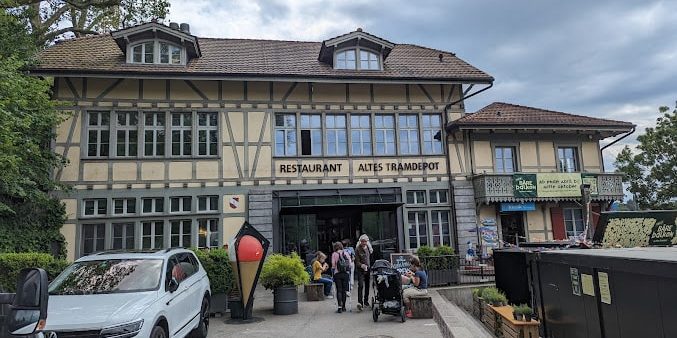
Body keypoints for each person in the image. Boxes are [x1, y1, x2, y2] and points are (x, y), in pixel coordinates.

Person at [331, 241, 351, 313]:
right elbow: (349, 263)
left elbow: (333, 265)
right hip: (345, 273)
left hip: (337, 274)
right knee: (344, 290)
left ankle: (339, 307)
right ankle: (344, 307)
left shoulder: (334, 254)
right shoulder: (346, 253)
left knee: (339, 290)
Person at [355, 234, 371, 311]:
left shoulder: (368, 248)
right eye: (362, 241)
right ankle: (360, 302)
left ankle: (366, 301)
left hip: (368, 268)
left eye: (365, 241)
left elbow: (370, 258)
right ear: (360, 241)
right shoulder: (357, 249)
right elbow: (356, 261)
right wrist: (362, 265)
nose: (364, 243)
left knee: (367, 285)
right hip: (360, 269)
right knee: (360, 285)